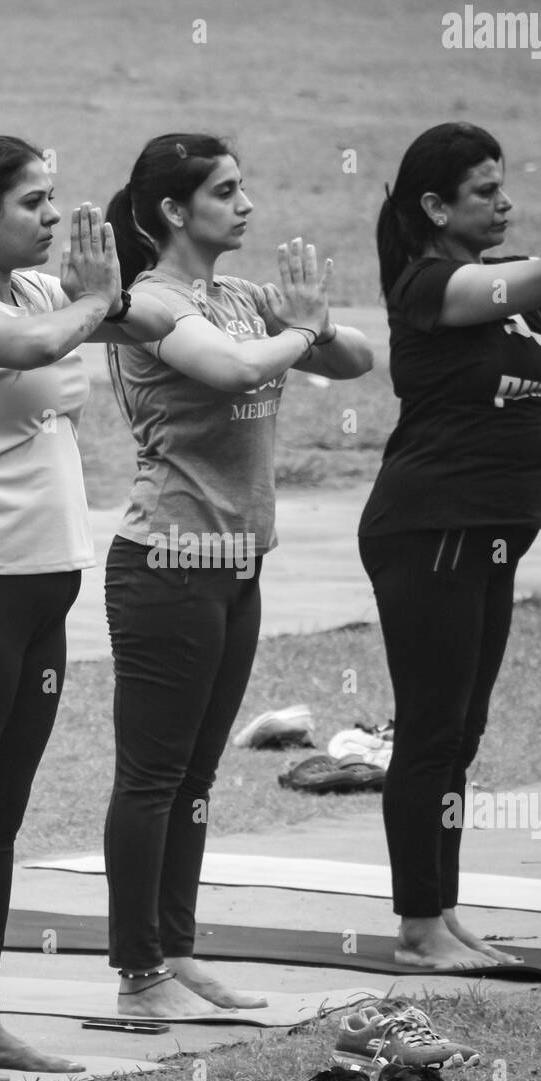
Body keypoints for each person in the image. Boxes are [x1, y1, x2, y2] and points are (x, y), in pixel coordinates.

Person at [0, 136, 175, 1081]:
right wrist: (95, 301)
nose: (52, 217)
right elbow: (40, 346)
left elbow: (126, 321)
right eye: (33, 203)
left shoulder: (46, 292)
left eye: (56, 201)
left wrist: (139, 247)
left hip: (39, 596)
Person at [360, 77, 541, 971]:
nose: (504, 201)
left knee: (463, 731)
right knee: (432, 729)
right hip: (432, 525)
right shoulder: (434, 285)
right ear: (435, 207)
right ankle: (417, 929)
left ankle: (439, 914)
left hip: (488, 530)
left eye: (503, 185)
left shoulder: (505, 287)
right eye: (484, 190)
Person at [101, 133, 374, 1018]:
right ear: (175, 211)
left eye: (244, 186)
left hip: (236, 565)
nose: (246, 203)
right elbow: (230, 368)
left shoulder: (243, 295)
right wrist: (297, 328)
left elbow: (359, 358)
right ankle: (138, 973)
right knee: (152, 777)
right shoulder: (149, 302)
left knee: (195, 777)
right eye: (226, 191)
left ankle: (175, 952)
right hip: (169, 561)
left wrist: (313, 321)